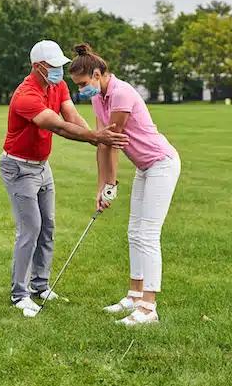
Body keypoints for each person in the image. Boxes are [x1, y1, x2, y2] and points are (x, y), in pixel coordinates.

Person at [0, 40, 129, 316]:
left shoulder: (57, 85)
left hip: (42, 166)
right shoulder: (26, 95)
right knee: (30, 228)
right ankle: (19, 294)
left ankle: (40, 286)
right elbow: (58, 126)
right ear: (37, 67)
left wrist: (97, 141)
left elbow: (71, 115)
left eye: (60, 64)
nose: (59, 69)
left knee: (48, 226)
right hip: (19, 168)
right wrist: (97, 136)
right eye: (53, 66)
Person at [68, 43, 181, 325]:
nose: (81, 90)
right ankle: (134, 295)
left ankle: (148, 309)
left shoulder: (120, 93)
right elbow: (101, 144)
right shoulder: (99, 98)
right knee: (134, 231)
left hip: (161, 163)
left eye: (83, 84)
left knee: (148, 234)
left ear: (97, 74)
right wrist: (103, 187)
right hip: (145, 167)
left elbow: (113, 142)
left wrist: (112, 179)